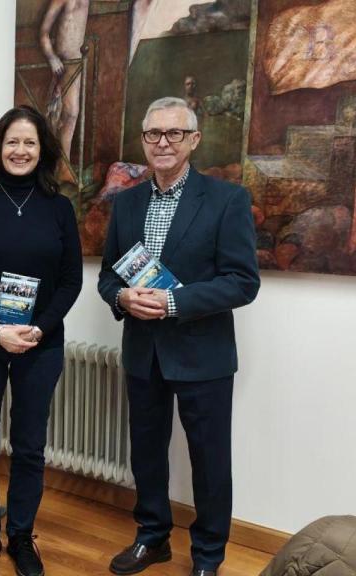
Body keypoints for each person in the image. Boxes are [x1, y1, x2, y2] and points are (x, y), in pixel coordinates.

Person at [98, 97, 259, 576]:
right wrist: (121, 298)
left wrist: (173, 302)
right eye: (154, 134)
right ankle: (152, 537)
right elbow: (108, 276)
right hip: (143, 353)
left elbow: (242, 282)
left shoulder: (227, 200)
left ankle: (208, 556)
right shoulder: (127, 203)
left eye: (174, 133)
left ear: (194, 140)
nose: (163, 142)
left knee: (209, 460)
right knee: (146, 453)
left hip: (202, 354)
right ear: (143, 140)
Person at [0, 105, 83, 576]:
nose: (20, 150)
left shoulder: (60, 208)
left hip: (40, 343)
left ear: (42, 150)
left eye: (29, 142)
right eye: (12, 142)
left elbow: (71, 281)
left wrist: (39, 327)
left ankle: (21, 536)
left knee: (29, 445)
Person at [39, 0, 91, 181]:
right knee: (57, 114)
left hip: (76, 63)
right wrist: (52, 58)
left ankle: (64, 166)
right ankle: (58, 167)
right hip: (61, 65)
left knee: (71, 114)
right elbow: (43, 33)